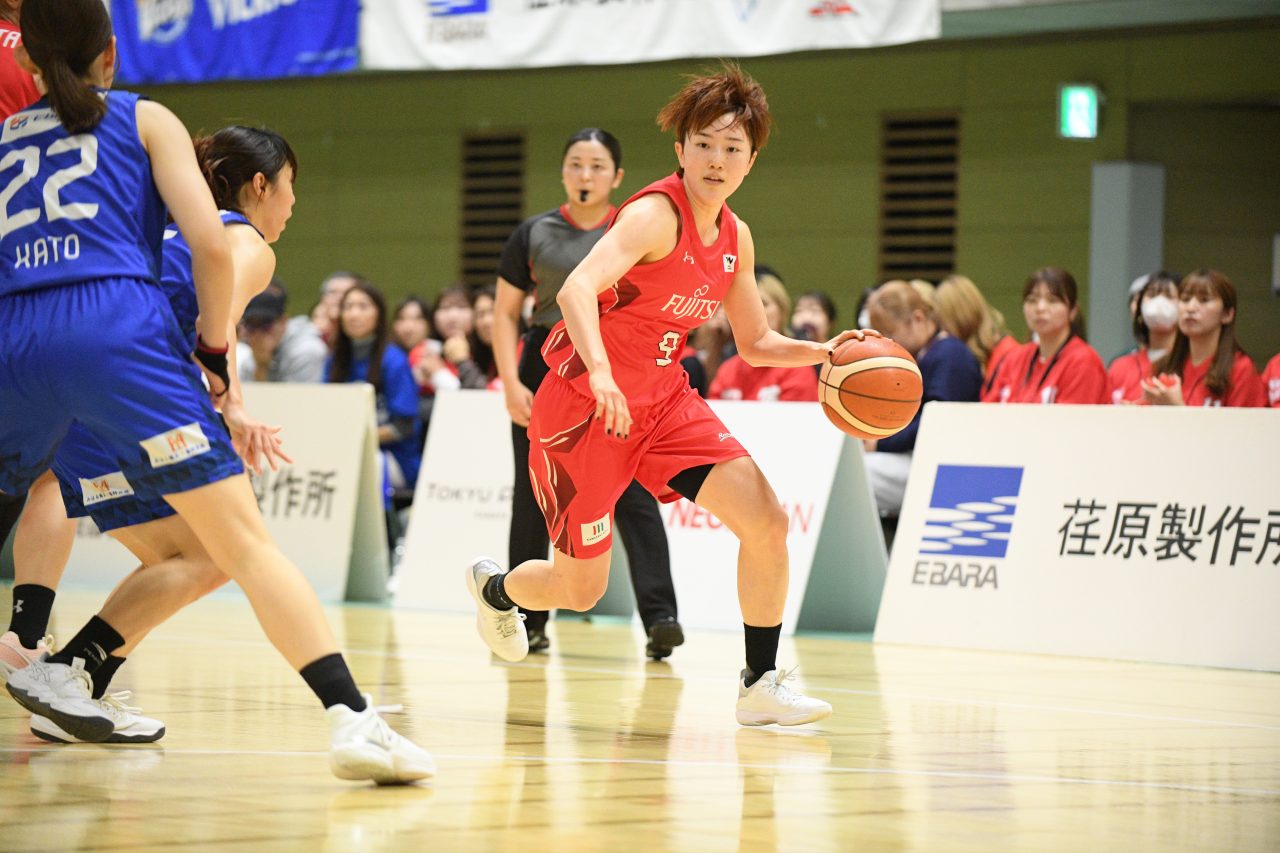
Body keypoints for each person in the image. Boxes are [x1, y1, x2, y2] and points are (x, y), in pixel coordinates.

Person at [0, 5, 430, 781]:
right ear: (111, 54)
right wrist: (221, 378)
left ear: (27, 61)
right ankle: (353, 718)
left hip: (26, 349)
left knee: (193, 556)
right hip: (119, 348)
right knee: (244, 547)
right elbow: (213, 270)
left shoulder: (9, 139)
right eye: (291, 187)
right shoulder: (235, 226)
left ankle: (71, 673)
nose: (292, 204)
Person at [471, 63, 872, 725]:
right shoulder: (654, 215)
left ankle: (759, 683)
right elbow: (575, 289)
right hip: (582, 408)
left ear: (751, 159)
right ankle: (496, 590)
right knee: (579, 587)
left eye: (733, 148)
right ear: (680, 149)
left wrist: (826, 352)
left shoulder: (736, 237)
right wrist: (601, 371)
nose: (717, 160)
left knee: (767, 521)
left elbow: (755, 341)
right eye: (704, 144)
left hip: (662, 404)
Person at [492, 127, 683, 659]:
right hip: (545, 361)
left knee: (634, 490)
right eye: (576, 164)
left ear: (616, 177)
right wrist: (510, 381)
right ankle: (527, 619)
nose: (585, 174)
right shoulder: (533, 232)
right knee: (534, 494)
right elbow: (505, 314)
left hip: (616, 359)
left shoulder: (636, 225)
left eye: (597, 166)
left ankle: (661, 617)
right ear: (562, 172)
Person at [863, 281, 982, 517]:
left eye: (891, 334)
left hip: (943, 464)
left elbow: (935, 422)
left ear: (917, 318)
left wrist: (881, 443)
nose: (889, 344)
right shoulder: (926, 354)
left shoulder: (950, 355)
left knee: (861, 473)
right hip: (917, 455)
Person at [328, 281, 423, 490]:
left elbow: (403, 427)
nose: (354, 314)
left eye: (363, 306)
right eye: (348, 307)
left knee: (357, 469)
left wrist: (356, 438)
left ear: (378, 314)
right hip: (343, 450)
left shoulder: (394, 361)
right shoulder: (334, 361)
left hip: (393, 457)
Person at [981, 267, 1107, 405]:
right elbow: (988, 410)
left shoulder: (1083, 362)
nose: (1040, 308)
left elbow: (1073, 418)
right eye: (1032, 300)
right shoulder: (1014, 359)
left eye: (1052, 300)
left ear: (1072, 311)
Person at [1143, 269, 1265, 407]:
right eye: (1185, 299)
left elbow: (1245, 421)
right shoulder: (1164, 366)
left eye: (1204, 300)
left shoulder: (1241, 369)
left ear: (1227, 314)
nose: (1190, 308)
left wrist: (1178, 408)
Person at [710, 269, 819, 402]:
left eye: (764, 303)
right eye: (746, 305)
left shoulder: (798, 368)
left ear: (782, 311)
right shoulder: (727, 370)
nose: (754, 312)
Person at [237, 277, 328, 383]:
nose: (258, 333)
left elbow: (298, 394)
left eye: (265, 325)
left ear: (283, 322)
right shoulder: (251, 356)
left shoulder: (307, 351)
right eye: (252, 325)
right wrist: (261, 366)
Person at [1107, 271, 1179, 404]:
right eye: (1152, 295)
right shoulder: (1119, 366)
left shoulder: (1187, 363)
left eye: (1168, 296)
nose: (1159, 303)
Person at [934, 274, 1018, 378]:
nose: (943, 334)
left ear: (961, 318)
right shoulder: (975, 358)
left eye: (944, 324)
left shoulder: (1008, 354)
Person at [449, 283, 499, 389]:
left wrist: (463, 361)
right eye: (480, 314)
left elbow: (489, 395)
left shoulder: (523, 350)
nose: (486, 321)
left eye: (493, 311)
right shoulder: (483, 354)